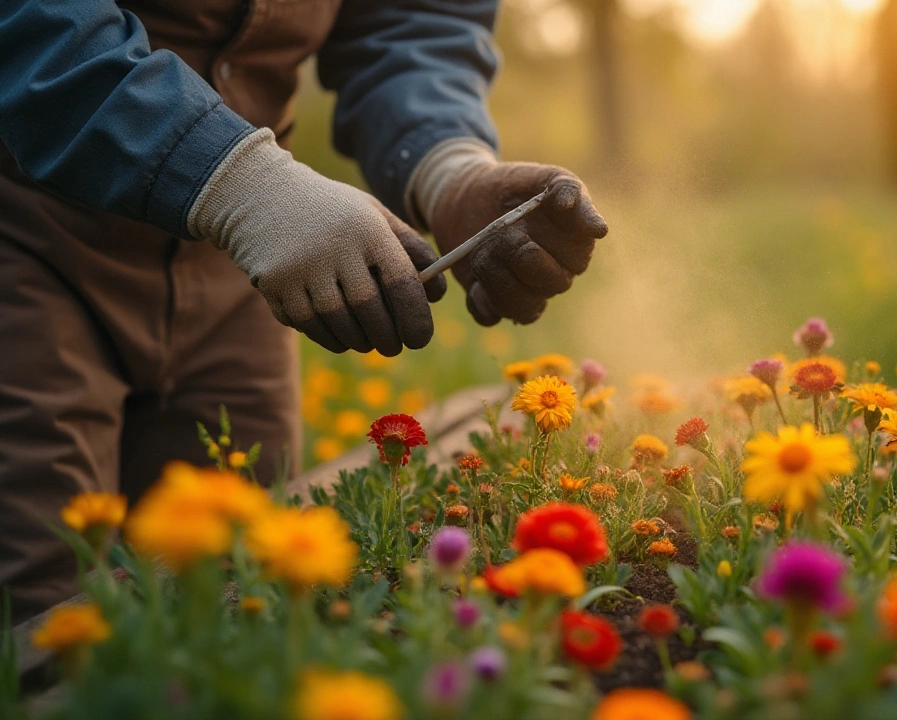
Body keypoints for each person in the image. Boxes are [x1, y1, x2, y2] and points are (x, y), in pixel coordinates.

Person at [0, 0, 608, 622]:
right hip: (31, 234)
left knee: (241, 592)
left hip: (239, 261)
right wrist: (240, 185)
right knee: (42, 611)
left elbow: (413, 18)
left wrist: (447, 169)